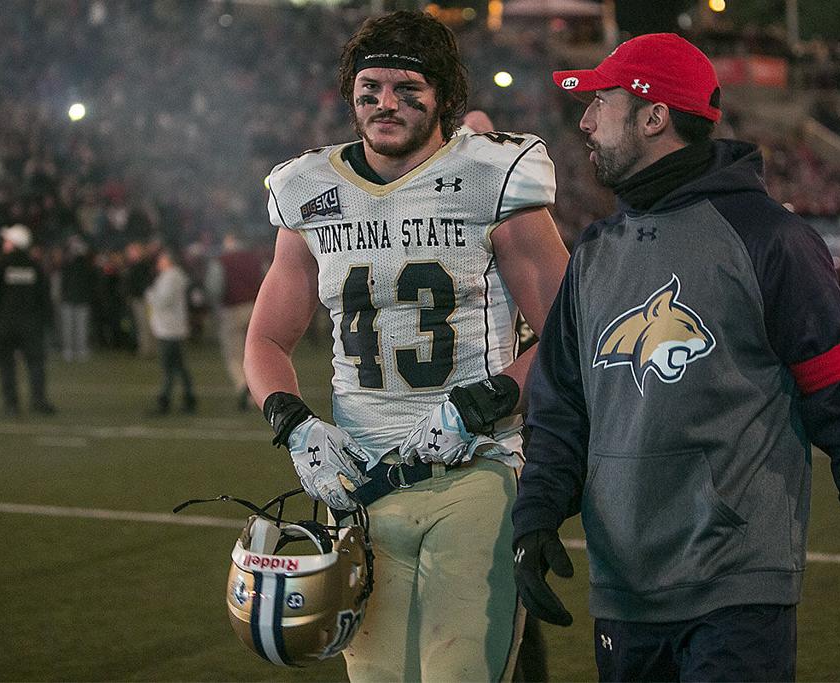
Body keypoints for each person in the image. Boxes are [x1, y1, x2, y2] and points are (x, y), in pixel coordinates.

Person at [511, 33, 840, 681]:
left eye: (602, 103)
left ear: (654, 116)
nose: (586, 121)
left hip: (737, 589)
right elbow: (560, 405)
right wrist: (537, 514)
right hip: (624, 591)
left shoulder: (772, 241)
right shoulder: (593, 252)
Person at [243, 10, 569, 681]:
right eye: (371, 88)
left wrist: (490, 398)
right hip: (362, 487)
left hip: (475, 470)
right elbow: (267, 337)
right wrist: (292, 422)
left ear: (444, 94)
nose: (385, 103)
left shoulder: (491, 175)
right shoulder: (311, 191)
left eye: (405, 88)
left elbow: (572, 331)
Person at [0, 224, 56, 416]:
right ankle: (38, 401)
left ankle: (11, 404)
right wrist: (49, 323)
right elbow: (45, 298)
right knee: (35, 364)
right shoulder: (35, 267)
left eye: (7, 240)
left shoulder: (0, 266)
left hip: (4, 324)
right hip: (31, 325)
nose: (4, 244)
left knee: (7, 366)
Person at [204, 232, 266, 410]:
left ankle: (244, 389)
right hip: (256, 307)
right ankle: (260, 391)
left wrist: (216, 308)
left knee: (234, 355)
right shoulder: (255, 258)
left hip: (232, 310)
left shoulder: (222, 261)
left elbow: (214, 288)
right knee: (257, 354)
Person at [145, 248, 197, 415]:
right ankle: (188, 398)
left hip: (169, 329)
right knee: (179, 366)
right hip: (172, 328)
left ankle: (165, 401)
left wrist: (150, 294)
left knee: (170, 367)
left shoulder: (171, 277)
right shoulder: (174, 276)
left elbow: (163, 301)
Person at [59, 235, 97, 362]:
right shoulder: (83, 265)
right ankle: (76, 349)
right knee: (77, 326)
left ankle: (73, 349)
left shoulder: (72, 265)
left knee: (74, 326)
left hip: (73, 299)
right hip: (77, 299)